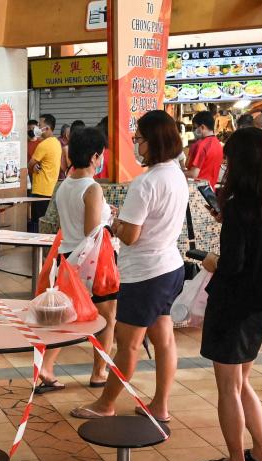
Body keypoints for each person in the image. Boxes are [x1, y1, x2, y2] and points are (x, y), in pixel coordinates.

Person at [71, 110, 188, 423]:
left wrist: (115, 222)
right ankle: (160, 405)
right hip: (170, 268)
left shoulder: (146, 183)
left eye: (139, 139)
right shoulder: (176, 174)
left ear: (154, 142)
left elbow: (132, 236)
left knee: (128, 345)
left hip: (145, 274)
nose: (137, 145)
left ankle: (106, 403)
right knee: (163, 338)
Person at [197, 127, 262, 461]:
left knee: (228, 388)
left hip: (233, 305)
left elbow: (233, 265)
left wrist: (210, 260)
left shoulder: (239, 208)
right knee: (242, 383)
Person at [38, 128, 117, 390]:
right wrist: (110, 219)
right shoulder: (92, 188)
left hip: (66, 260)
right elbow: (92, 231)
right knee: (106, 318)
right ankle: (99, 372)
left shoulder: (63, 186)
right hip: (93, 266)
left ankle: (46, 369)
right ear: (95, 156)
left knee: (65, 317)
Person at [29, 113, 62, 231]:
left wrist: (32, 168)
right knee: (46, 224)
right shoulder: (56, 143)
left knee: (36, 224)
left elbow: (30, 164)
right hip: (51, 190)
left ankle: (36, 249)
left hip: (40, 190)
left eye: (39, 124)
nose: (37, 127)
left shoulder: (44, 144)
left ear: (47, 128)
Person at [184, 111, 223, 187]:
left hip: (199, 191)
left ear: (202, 127)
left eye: (195, 127)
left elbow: (194, 174)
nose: (193, 131)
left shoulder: (202, 145)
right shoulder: (218, 143)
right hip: (210, 190)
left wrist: (177, 173)